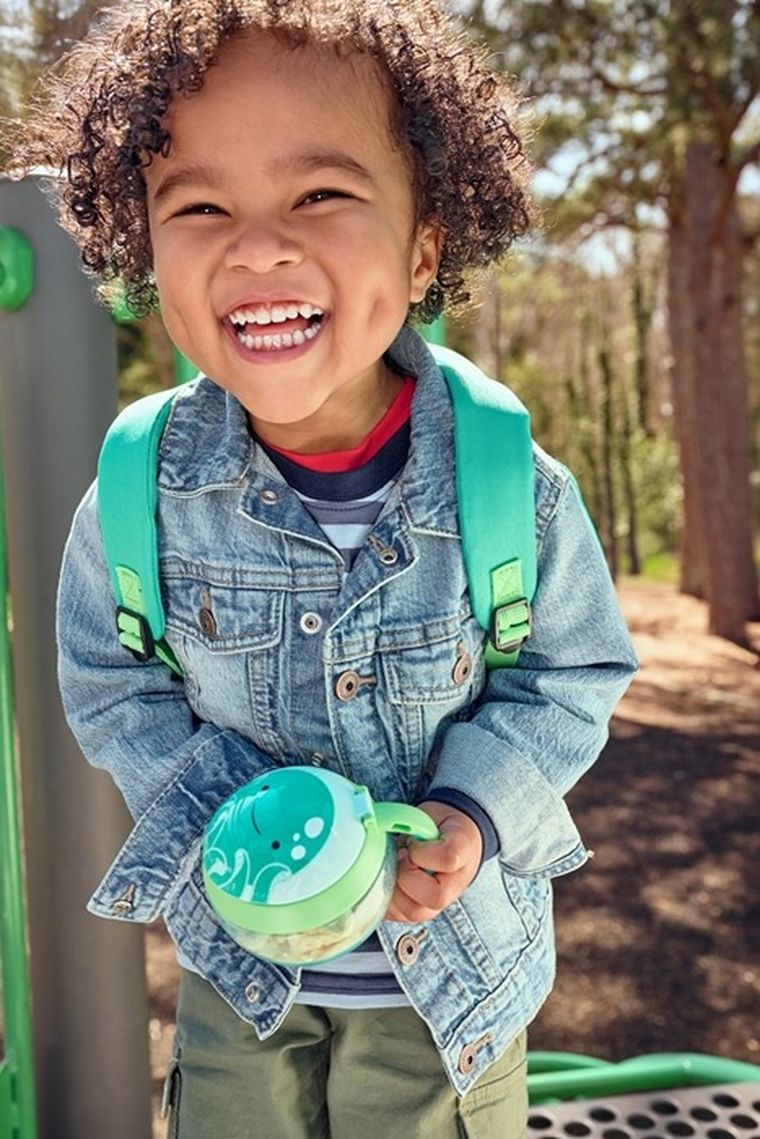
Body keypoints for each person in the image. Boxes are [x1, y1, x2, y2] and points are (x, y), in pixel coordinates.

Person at [16, 1, 638, 1135]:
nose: (257, 246)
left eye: (319, 195)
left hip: (450, 992)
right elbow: (112, 680)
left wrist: (471, 808)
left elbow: (571, 672)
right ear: (144, 246)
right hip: (240, 982)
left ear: (423, 246)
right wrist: (221, 809)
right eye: (200, 206)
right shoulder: (137, 492)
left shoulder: (509, 485)